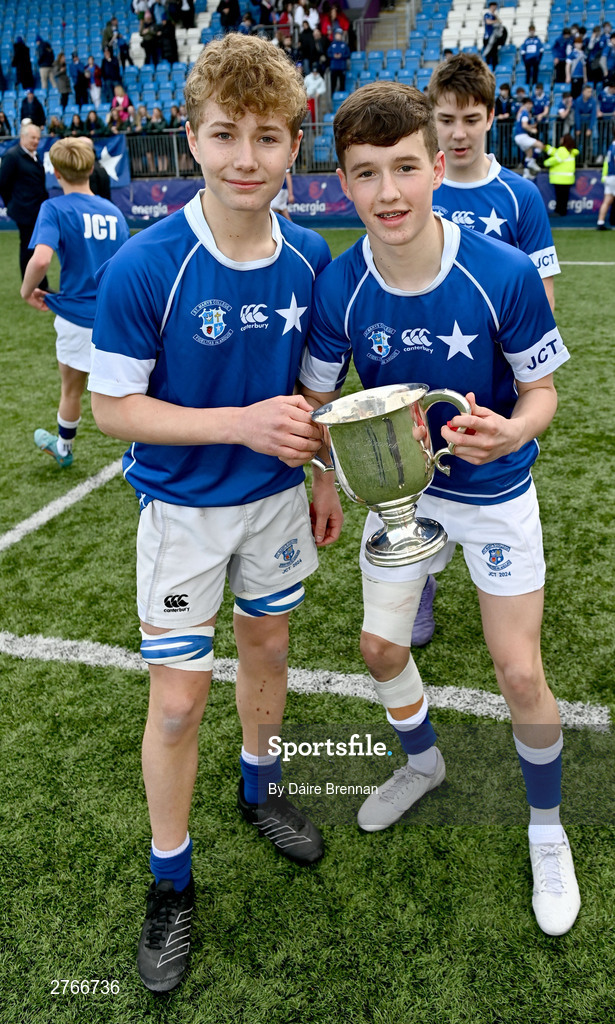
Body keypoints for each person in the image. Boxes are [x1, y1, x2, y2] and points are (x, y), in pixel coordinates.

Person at [298, 79, 580, 940]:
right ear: (341, 183)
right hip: (399, 502)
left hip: (492, 495)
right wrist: (320, 480)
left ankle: (545, 826)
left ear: (437, 161)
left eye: (405, 168)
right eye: (366, 174)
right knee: (379, 648)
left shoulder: (497, 272)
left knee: (518, 672)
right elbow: (317, 402)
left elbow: (543, 393)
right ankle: (421, 765)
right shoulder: (340, 285)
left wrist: (513, 430)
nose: (388, 193)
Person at [87, 32, 338, 994]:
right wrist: (236, 421)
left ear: (291, 146)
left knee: (269, 651)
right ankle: (170, 881)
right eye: (225, 134)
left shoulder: (313, 256)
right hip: (184, 517)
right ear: (190, 138)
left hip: (276, 507)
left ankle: (261, 785)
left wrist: (320, 476)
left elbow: (315, 394)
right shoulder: (148, 265)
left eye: (267, 138)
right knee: (179, 699)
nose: (246, 159)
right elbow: (113, 410)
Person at [417, 54, 561, 645]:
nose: (457, 133)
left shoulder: (519, 195)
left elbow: (542, 296)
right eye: (446, 119)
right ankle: (420, 574)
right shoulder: (417, 182)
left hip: (494, 381)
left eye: (470, 119)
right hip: (419, 365)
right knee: (419, 477)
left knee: (485, 467)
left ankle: (497, 571)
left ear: (492, 117)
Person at [20, 137, 129, 468]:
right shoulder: (114, 212)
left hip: (75, 316)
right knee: (133, 392)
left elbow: (40, 260)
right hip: (115, 317)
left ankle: (64, 449)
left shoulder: (53, 208)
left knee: (72, 390)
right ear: (92, 167)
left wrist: (28, 291)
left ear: (54, 171)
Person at [0, 122, 49, 285]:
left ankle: (39, 283)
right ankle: (32, 284)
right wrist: (14, 204)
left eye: (38, 138)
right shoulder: (12, 156)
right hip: (25, 212)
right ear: (23, 137)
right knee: (29, 249)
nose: (36, 141)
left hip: (37, 210)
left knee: (36, 248)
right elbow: (3, 184)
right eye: (33, 138)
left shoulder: (35, 156)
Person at [534, 133, 579, 216]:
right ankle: (563, 211)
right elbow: (555, 152)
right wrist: (546, 148)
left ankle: (559, 211)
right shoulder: (571, 151)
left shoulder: (562, 150)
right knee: (564, 197)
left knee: (560, 197)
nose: (560, 139)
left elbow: (555, 159)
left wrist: (545, 163)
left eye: (562, 138)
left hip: (559, 178)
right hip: (568, 179)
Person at [574, 83, 598, 163]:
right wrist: (578, 128)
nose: (590, 93)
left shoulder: (593, 101)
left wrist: (590, 128)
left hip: (588, 124)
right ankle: (577, 159)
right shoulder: (578, 100)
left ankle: (585, 160)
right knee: (577, 142)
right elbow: (577, 114)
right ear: (583, 92)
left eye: (591, 92)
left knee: (587, 143)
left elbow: (593, 115)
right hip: (580, 124)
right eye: (588, 92)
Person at [597, 129, 615, 227]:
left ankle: (600, 222)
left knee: (607, 201)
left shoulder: (611, 146)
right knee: (607, 201)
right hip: (614, 176)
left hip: (609, 176)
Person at [328, 28, 350, 94]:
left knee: (342, 84)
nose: (338, 36)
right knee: (333, 84)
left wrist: (341, 56)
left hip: (342, 67)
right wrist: (333, 56)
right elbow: (328, 53)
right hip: (334, 67)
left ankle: (342, 97)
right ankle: (333, 98)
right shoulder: (332, 44)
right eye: (337, 34)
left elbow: (348, 54)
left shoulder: (344, 45)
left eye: (339, 34)